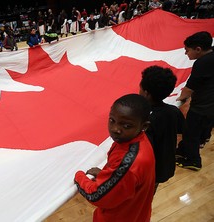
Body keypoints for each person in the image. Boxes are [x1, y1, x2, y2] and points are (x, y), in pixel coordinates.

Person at [74, 93, 155, 222]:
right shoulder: (136, 141)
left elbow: (96, 196)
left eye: (126, 126)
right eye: (112, 120)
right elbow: (127, 179)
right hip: (135, 213)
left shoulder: (129, 162)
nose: (115, 129)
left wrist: (79, 177)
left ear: (144, 126)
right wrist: (107, 176)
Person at [139, 65, 185, 193]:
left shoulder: (144, 120)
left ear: (146, 93)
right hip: (165, 166)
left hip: (148, 171)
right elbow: (181, 132)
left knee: (141, 196)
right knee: (150, 192)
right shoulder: (174, 111)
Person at [175, 31, 214, 171]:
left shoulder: (202, 63)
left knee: (191, 132)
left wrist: (178, 99)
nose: (186, 54)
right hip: (210, 106)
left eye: (187, 50)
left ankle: (193, 161)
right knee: (202, 128)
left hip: (202, 106)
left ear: (198, 49)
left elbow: (190, 88)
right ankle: (184, 149)